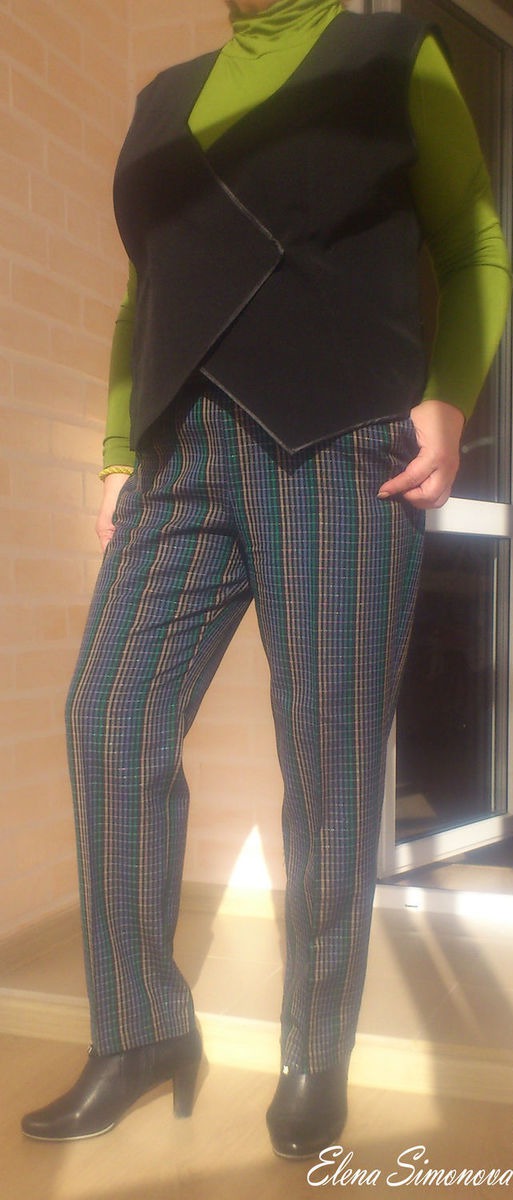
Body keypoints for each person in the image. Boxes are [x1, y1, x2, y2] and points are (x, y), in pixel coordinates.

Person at [22, 0, 510, 1160]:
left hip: (342, 450)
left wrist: (450, 395)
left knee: (330, 762)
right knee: (109, 717)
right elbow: (144, 299)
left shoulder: (392, 51)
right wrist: (117, 449)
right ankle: (142, 1031)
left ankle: (314, 1050)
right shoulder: (162, 99)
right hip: (179, 459)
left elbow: (473, 242)